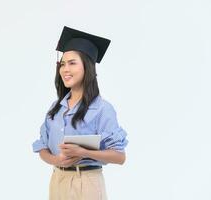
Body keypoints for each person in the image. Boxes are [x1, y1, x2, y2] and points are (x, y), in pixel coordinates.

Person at [32, 26, 129, 200]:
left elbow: (119, 156)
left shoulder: (102, 109)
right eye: (62, 64)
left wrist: (83, 152)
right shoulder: (56, 107)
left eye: (72, 63)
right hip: (57, 181)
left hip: (87, 182)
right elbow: (42, 147)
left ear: (87, 67)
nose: (65, 69)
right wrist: (56, 161)